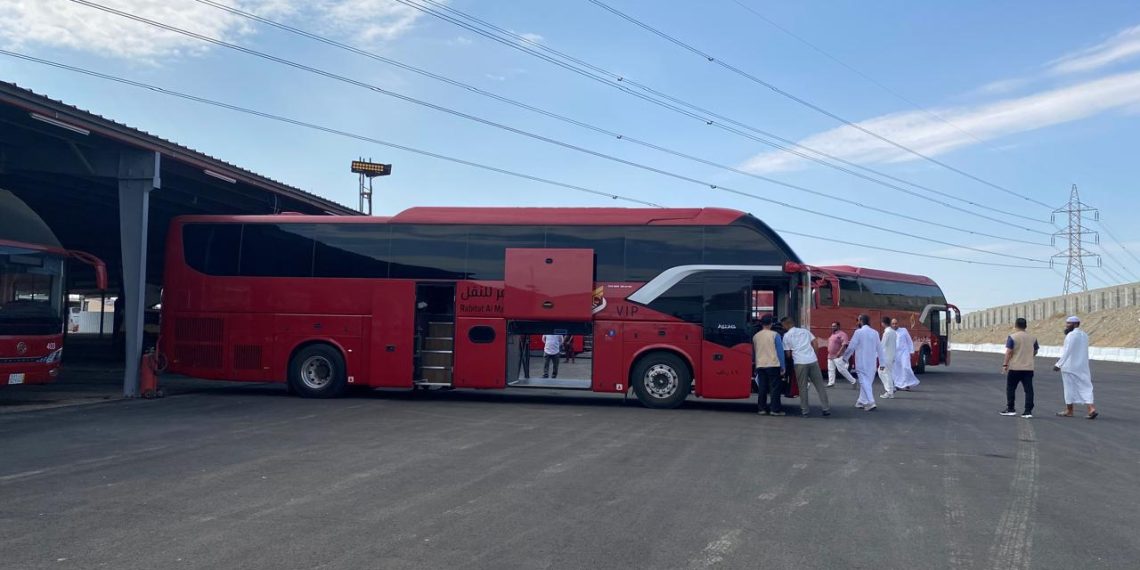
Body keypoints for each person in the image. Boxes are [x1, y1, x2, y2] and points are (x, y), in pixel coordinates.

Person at [781, 317, 830, 417]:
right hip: (812, 361)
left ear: (786, 324)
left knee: (802, 387)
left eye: (783, 325)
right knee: (820, 386)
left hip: (799, 363)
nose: (783, 328)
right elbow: (815, 342)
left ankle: (805, 411)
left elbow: (788, 354)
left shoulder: (786, 336)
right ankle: (826, 408)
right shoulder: (805, 331)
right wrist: (815, 355)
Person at [1054, 316, 1097, 419]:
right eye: (1067, 323)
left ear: (1076, 324)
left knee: (1069, 389)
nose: (1067, 325)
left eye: (1069, 323)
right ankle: (1091, 408)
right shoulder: (1084, 335)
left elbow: (1067, 351)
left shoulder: (1071, 335)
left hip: (1069, 367)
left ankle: (1069, 411)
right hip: (1082, 366)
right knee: (1086, 387)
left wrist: (1058, 364)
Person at [841, 314, 887, 411]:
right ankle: (861, 401)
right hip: (872, 363)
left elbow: (852, 346)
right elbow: (880, 349)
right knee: (867, 383)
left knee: (864, 382)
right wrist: (882, 363)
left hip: (861, 362)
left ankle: (871, 402)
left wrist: (845, 357)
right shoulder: (875, 333)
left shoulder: (858, 332)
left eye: (858, 320)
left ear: (861, 321)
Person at [1000, 318, 1038, 418]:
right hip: (1028, 368)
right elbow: (1035, 351)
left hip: (1015, 367)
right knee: (1028, 390)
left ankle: (1010, 409)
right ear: (1026, 326)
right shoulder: (1033, 338)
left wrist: (1005, 365)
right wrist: (1029, 357)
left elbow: (1009, 352)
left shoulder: (1012, 337)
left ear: (1016, 325)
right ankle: (1028, 411)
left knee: (1011, 388)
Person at [752, 315, 786, 416]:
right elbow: (780, 352)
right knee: (774, 388)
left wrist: (755, 365)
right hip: (773, 364)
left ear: (762, 324)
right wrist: (783, 366)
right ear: (771, 324)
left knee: (762, 388)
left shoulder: (756, 336)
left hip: (760, 365)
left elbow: (754, 353)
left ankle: (761, 409)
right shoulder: (775, 335)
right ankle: (774, 410)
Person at [892, 319, 920, 391]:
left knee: (906, 367)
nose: (894, 325)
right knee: (897, 369)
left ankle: (908, 384)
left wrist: (911, 350)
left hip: (904, 352)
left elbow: (909, 341)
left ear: (898, 324)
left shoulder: (904, 330)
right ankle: (898, 385)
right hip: (895, 353)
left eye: (896, 323)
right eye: (893, 324)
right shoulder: (890, 332)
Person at [826, 322, 857, 388]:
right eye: (832, 326)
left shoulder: (842, 334)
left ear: (838, 327)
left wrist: (839, 353)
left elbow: (844, 344)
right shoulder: (832, 334)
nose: (832, 327)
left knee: (841, 370)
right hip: (830, 355)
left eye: (834, 326)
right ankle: (831, 383)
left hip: (838, 356)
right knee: (831, 369)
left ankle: (853, 381)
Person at [878, 316, 897, 399]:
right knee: (887, 373)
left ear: (883, 323)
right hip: (891, 356)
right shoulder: (893, 332)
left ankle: (889, 391)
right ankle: (891, 389)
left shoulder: (887, 333)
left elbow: (882, 345)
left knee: (883, 372)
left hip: (886, 357)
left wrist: (877, 354)